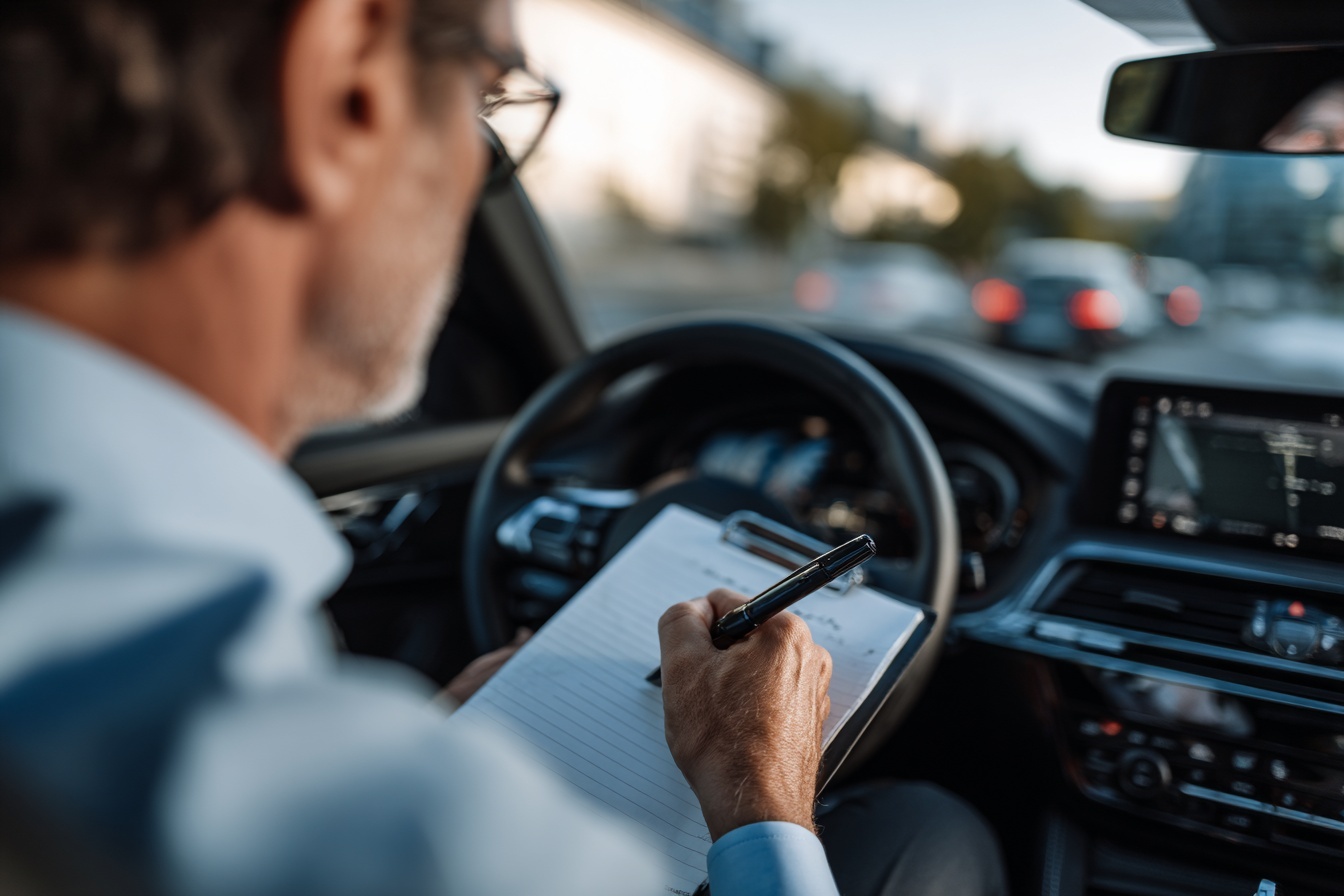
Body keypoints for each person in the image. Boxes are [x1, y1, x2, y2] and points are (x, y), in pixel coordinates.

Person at [0, 1, 1008, 894]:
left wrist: (413, 737)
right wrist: (763, 804)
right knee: (931, 830)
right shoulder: (417, 840)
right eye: (489, 97)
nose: (478, 174)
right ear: (345, 82)